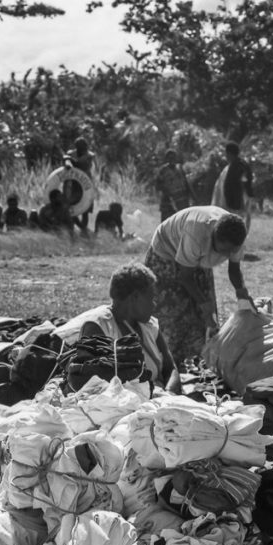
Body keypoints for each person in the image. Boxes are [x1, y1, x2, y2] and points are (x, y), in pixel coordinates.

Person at [144, 206, 252, 367]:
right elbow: (185, 277)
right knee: (173, 311)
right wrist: (204, 304)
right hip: (166, 253)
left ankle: (196, 359)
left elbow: (234, 269)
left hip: (196, 257)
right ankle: (168, 362)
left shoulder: (235, 237)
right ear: (214, 237)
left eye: (232, 251)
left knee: (205, 319)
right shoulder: (196, 233)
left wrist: (242, 293)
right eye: (224, 251)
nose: (228, 255)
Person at [54, 263, 181, 393]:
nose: (154, 305)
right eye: (151, 298)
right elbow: (93, 385)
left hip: (158, 398)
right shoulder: (98, 327)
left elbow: (171, 369)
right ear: (135, 297)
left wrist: (169, 392)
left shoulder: (150, 326)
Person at [45, 143, 94, 235]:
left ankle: (83, 231)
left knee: (85, 210)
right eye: (80, 147)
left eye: (83, 147)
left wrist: (68, 159)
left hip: (86, 186)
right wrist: (67, 159)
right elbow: (68, 164)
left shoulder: (89, 156)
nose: (82, 149)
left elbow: (80, 163)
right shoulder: (70, 155)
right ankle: (78, 229)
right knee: (69, 209)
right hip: (72, 187)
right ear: (77, 147)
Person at [212, 141, 253, 223]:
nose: (225, 156)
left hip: (234, 203)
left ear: (229, 154)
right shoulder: (241, 165)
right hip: (234, 203)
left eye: (226, 153)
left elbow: (241, 185)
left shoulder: (237, 167)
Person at [155, 149, 195, 221]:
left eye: (173, 157)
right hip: (168, 203)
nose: (172, 159)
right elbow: (158, 186)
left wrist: (193, 197)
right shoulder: (163, 171)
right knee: (167, 222)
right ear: (166, 159)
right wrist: (167, 192)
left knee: (183, 221)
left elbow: (187, 184)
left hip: (183, 201)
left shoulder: (180, 168)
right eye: (169, 158)